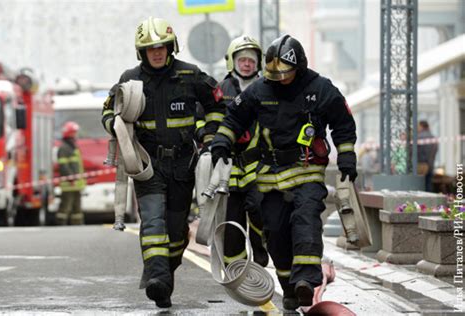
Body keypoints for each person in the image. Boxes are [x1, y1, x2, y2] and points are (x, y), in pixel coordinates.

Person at [210, 35, 357, 311]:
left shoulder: (321, 89)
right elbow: (233, 118)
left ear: (298, 67)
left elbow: (343, 123)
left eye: (285, 74)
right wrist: (221, 142)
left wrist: (347, 155)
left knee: (305, 222)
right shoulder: (259, 90)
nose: (279, 80)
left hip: (307, 171)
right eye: (274, 74)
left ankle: (306, 281)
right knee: (275, 233)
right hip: (269, 177)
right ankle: (290, 287)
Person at [101, 17, 223, 308]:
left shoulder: (191, 76)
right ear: (140, 52)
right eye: (150, 49)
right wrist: (115, 125)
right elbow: (108, 111)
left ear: (171, 48)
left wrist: (209, 134)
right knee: (153, 222)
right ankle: (157, 280)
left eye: (162, 47)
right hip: (148, 165)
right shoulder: (130, 80)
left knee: (177, 230)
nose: (156, 53)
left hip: (183, 165)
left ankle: (164, 276)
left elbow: (218, 106)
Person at [218, 35, 269, 267]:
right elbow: (208, 119)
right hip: (228, 167)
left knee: (260, 210)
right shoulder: (221, 90)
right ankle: (235, 269)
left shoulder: (268, 88)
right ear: (233, 62)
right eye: (242, 60)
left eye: (251, 60)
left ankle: (260, 252)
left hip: (259, 166)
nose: (247, 64)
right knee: (232, 221)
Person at [56, 121, 86, 225]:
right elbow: (63, 166)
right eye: (75, 133)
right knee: (65, 205)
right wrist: (71, 178)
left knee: (77, 207)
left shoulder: (72, 146)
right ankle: (61, 224)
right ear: (70, 134)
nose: (76, 135)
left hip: (76, 184)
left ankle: (77, 224)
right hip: (69, 184)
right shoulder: (64, 148)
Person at [418, 120, 438, 192]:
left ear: (421, 126)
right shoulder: (433, 138)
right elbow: (435, 151)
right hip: (430, 164)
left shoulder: (418, 137)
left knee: (419, 185)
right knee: (428, 185)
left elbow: (416, 152)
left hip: (420, 165)